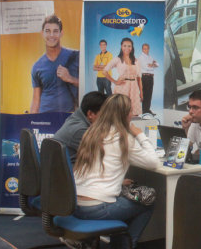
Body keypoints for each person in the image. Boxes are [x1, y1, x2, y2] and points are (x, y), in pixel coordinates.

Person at [73, 94, 160, 249]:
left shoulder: (91, 132)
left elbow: (98, 170)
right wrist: (139, 134)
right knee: (147, 199)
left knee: (127, 197)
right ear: (125, 115)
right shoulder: (123, 137)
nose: (133, 115)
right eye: (131, 111)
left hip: (75, 205)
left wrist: (119, 182)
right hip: (97, 209)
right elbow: (153, 163)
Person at [30, 14, 79, 113]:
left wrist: (70, 78)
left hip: (67, 117)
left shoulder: (75, 56)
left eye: (55, 31)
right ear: (42, 34)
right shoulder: (37, 66)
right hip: (44, 117)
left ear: (61, 33)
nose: (51, 35)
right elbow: (36, 99)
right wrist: (31, 122)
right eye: (48, 31)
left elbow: (89, 86)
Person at [53, 91, 107, 164]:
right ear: (90, 114)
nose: (107, 118)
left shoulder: (76, 117)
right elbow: (102, 155)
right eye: (104, 114)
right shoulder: (80, 130)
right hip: (71, 171)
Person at [103, 38, 143, 116]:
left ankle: (131, 128)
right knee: (121, 112)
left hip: (134, 88)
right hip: (122, 87)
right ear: (121, 46)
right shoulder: (117, 59)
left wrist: (141, 92)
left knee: (134, 113)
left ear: (132, 47)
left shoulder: (136, 60)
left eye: (129, 46)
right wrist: (115, 81)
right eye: (125, 46)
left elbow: (139, 78)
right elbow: (104, 71)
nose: (127, 48)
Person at [138, 43, 158, 115]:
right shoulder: (141, 57)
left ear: (149, 49)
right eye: (144, 49)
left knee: (150, 94)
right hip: (145, 77)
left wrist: (151, 64)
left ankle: (147, 110)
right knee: (145, 94)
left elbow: (157, 64)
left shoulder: (150, 57)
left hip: (150, 77)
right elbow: (146, 67)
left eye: (147, 48)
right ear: (142, 49)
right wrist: (153, 65)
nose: (146, 50)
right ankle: (144, 111)